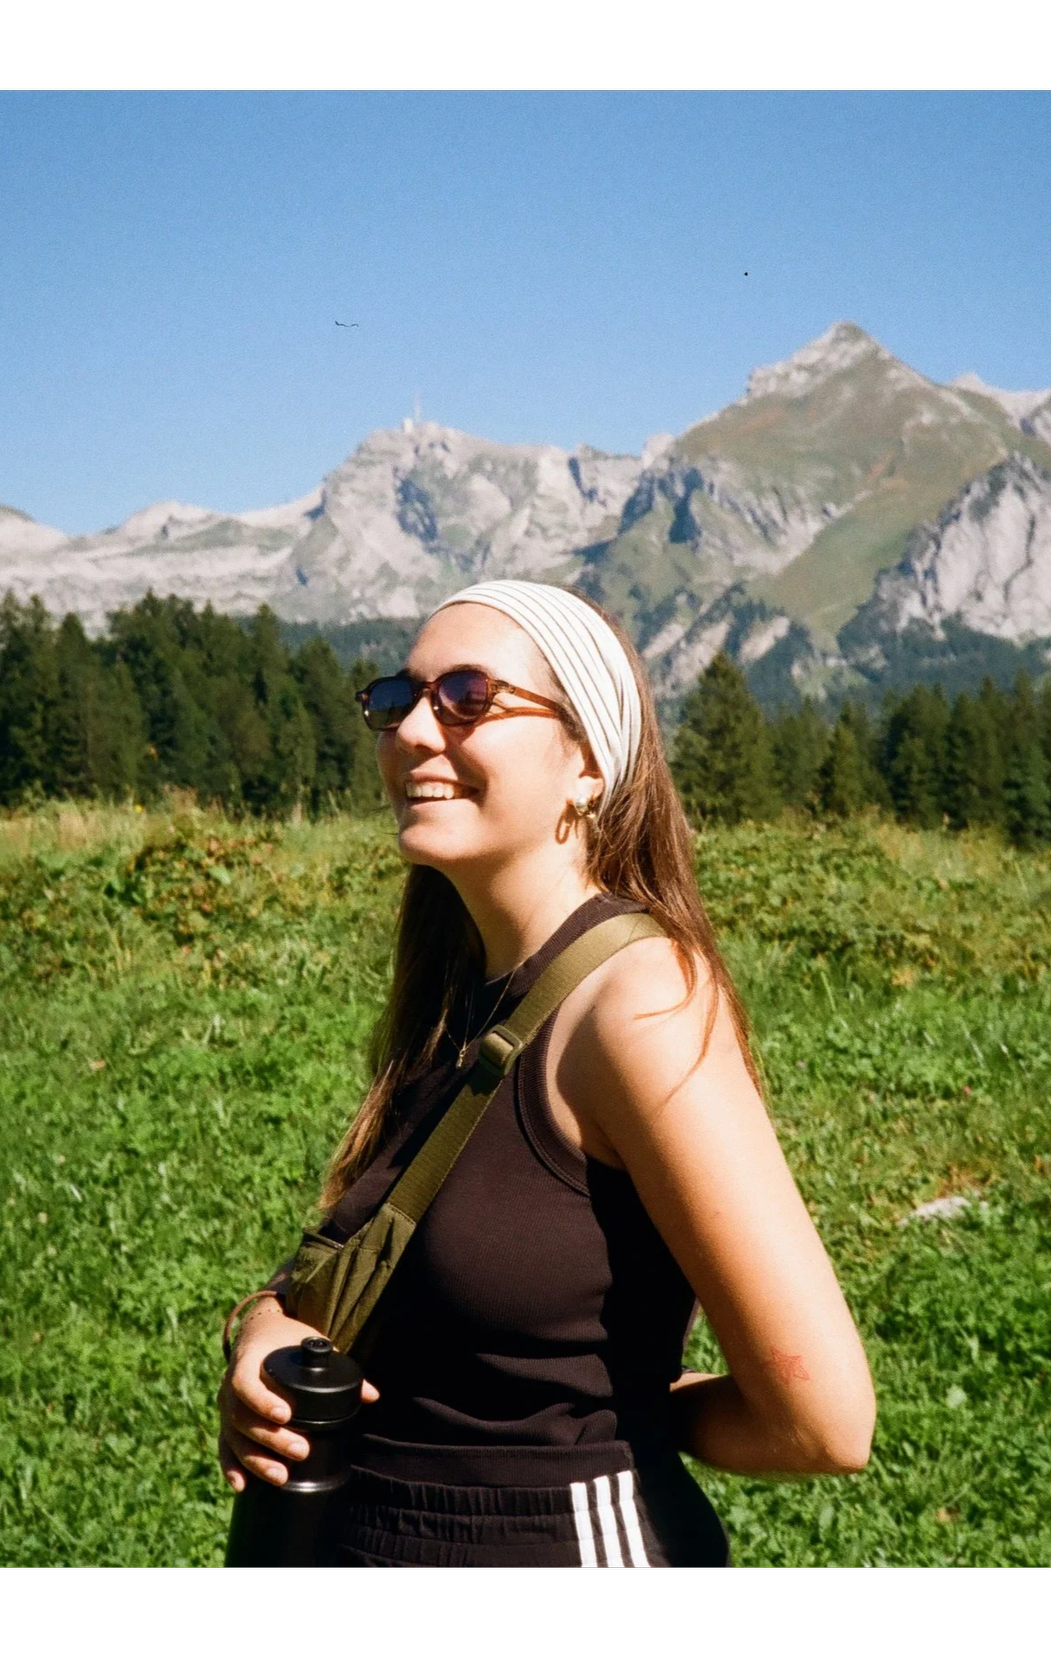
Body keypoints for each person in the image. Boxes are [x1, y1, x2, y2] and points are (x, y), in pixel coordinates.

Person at [215, 581, 873, 1568]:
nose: (413, 731)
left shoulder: (634, 1003)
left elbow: (823, 1421)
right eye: (397, 698)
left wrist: (634, 1412)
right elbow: (376, 1258)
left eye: (468, 696)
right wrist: (266, 1328)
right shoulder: (460, 995)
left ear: (588, 762)